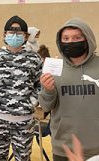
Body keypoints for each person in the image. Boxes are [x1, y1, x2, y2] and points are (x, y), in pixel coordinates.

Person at [0, 15, 43, 161]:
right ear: (4, 35)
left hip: (24, 121)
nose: (15, 35)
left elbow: (40, 85)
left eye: (19, 33)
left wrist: (32, 101)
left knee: (23, 158)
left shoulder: (35, 58)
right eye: (11, 32)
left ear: (25, 36)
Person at [39, 18, 99, 161]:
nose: (71, 42)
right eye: (66, 38)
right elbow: (46, 106)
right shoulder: (54, 68)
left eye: (77, 37)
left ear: (87, 38)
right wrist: (48, 90)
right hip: (64, 148)